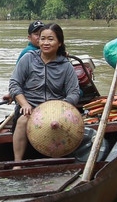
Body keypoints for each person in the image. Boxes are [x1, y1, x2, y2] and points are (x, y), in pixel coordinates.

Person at [8, 23, 81, 162]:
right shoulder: (28, 59)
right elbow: (14, 84)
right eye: (42, 39)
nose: (45, 43)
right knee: (23, 121)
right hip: (31, 109)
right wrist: (24, 104)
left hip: (56, 111)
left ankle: (63, 158)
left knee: (63, 124)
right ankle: (17, 163)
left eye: (50, 39)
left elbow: (74, 92)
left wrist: (60, 107)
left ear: (59, 43)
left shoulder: (66, 65)